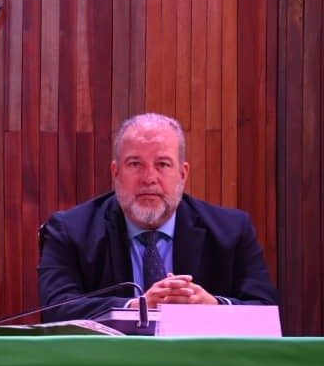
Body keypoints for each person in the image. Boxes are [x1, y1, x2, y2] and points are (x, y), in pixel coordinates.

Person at [37, 112, 278, 322]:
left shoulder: (232, 231)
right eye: (135, 164)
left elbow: (267, 310)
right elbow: (55, 310)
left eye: (162, 164)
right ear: (116, 172)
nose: (149, 178)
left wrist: (214, 307)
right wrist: (137, 307)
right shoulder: (70, 231)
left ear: (183, 174)